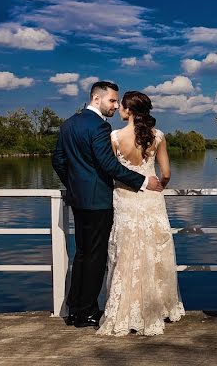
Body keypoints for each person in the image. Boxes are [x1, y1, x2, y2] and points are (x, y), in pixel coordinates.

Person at [52, 81, 164, 328]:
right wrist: (144, 181)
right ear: (96, 99)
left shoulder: (69, 123)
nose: (115, 106)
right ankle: (88, 311)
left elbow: (58, 160)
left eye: (116, 101)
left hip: (78, 199)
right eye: (112, 100)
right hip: (99, 201)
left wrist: (74, 185)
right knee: (95, 257)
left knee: (81, 255)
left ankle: (74, 311)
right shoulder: (99, 127)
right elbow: (109, 165)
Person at [97, 90, 185, 336]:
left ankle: (126, 309)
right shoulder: (157, 137)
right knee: (155, 249)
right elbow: (166, 173)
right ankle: (158, 307)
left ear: (129, 111)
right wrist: (157, 186)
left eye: (122, 106)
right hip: (152, 199)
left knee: (126, 252)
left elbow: (112, 170)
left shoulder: (115, 137)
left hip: (125, 198)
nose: (119, 110)